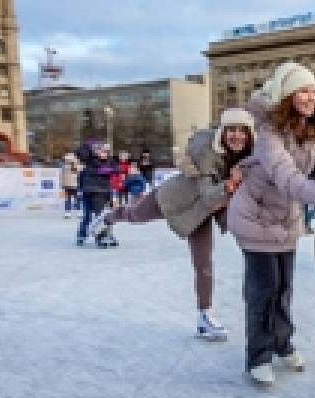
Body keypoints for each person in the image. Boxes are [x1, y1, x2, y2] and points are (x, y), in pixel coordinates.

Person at [227, 62, 315, 387]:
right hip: (255, 218)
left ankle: (281, 342)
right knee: (263, 290)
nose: (311, 98)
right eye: (303, 91)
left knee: (284, 288)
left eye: (314, 92)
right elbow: (288, 180)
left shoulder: (313, 133)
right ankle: (259, 355)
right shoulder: (268, 133)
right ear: (287, 94)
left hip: (286, 221)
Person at [89, 108, 255, 340]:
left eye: (242, 131)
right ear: (223, 132)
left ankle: (204, 316)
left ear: (250, 134)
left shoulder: (249, 156)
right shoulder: (207, 153)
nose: (237, 136)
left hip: (201, 213)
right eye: (232, 130)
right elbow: (209, 195)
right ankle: (107, 218)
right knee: (135, 214)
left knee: (203, 262)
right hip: (175, 199)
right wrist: (231, 184)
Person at [75, 142, 117, 247]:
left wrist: (106, 170)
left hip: (102, 192)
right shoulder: (90, 161)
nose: (104, 153)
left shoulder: (109, 162)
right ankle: (83, 235)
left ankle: (105, 236)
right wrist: (90, 144)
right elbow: (80, 153)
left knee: (102, 215)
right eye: (100, 151)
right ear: (95, 152)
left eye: (104, 151)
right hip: (90, 192)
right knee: (88, 215)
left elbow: (116, 169)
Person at [60, 153, 82, 219]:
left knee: (68, 199)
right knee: (77, 199)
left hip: (67, 185)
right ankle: (79, 212)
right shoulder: (77, 166)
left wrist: (62, 184)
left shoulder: (64, 166)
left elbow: (62, 176)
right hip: (75, 184)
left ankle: (67, 213)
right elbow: (81, 173)